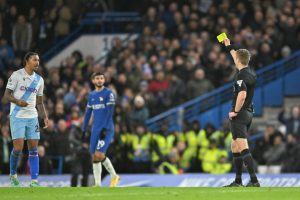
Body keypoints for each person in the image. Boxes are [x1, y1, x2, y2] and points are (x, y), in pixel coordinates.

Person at [4, 52, 48, 187]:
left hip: (32, 117)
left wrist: (44, 117)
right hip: (17, 116)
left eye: (38, 60)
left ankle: (34, 181)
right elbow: (7, 95)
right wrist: (18, 101)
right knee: (18, 148)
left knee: (34, 148)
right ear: (27, 61)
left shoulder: (39, 80)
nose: (37, 62)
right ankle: (13, 176)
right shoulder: (16, 75)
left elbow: (39, 102)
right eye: (35, 60)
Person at [222, 38, 260, 187]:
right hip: (248, 113)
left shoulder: (240, 76)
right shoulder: (250, 72)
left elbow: (242, 95)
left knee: (242, 146)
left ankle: (254, 180)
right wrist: (229, 47)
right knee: (235, 146)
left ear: (238, 60)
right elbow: (237, 58)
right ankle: (238, 181)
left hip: (240, 113)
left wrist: (235, 111)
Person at [82, 72, 120, 187]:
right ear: (93, 81)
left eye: (101, 78)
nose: (99, 80)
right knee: (94, 156)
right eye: (97, 78)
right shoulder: (91, 95)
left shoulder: (109, 93)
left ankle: (114, 175)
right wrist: (84, 130)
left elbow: (110, 112)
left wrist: (104, 128)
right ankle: (98, 184)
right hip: (95, 129)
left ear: (104, 80)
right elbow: (88, 114)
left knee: (99, 154)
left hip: (106, 129)